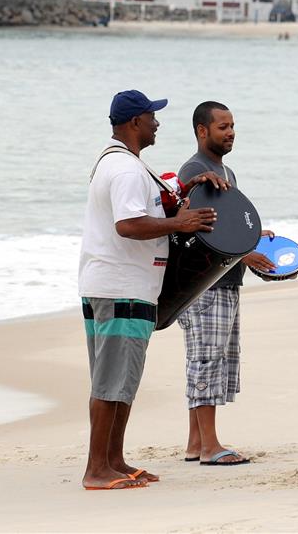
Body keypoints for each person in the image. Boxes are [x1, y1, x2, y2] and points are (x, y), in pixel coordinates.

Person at [78, 90, 224, 490]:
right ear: (134, 123)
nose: (157, 123)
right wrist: (181, 225)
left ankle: (114, 459)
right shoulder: (125, 169)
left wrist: (189, 187)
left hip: (121, 285)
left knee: (121, 379)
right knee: (111, 381)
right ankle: (96, 469)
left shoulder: (125, 164)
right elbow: (128, 225)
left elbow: (152, 210)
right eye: (151, 117)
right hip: (121, 286)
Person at [177, 101, 277, 466]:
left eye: (233, 125)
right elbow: (196, 229)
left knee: (216, 357)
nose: (230, 132)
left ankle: (194, 441)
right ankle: (209, 446)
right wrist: (244, 254)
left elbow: (227, 224)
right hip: (205, 283)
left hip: (225, 280)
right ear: (202, 131)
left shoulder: (226, 171)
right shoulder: (195, 170)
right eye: (222, 127)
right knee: (206, 359)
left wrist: (253, 238)